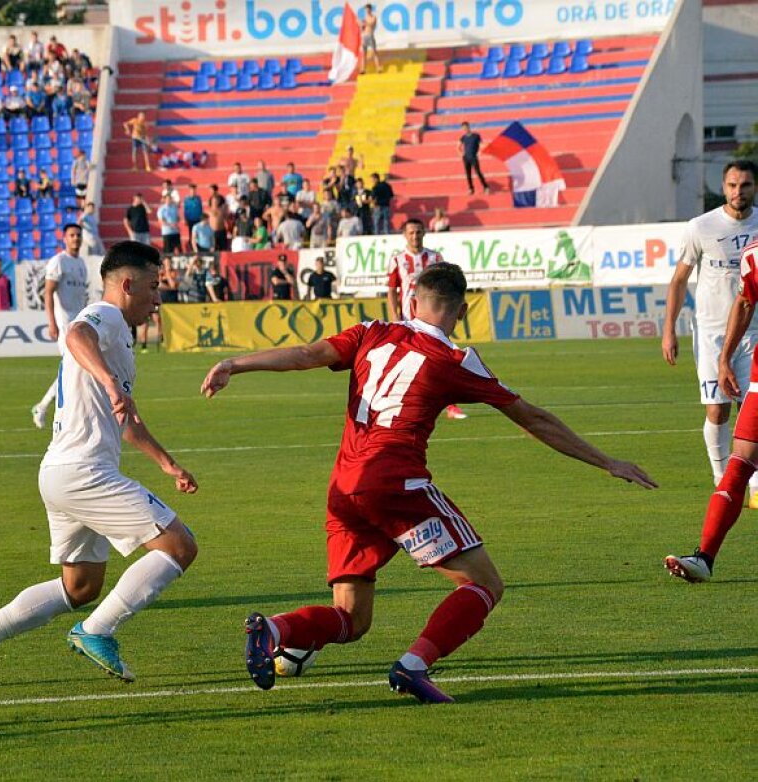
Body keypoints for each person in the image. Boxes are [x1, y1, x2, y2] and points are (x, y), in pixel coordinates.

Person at [200, 262, 655, 704]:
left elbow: (305, 355)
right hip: (397, 484)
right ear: (461, 312)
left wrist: (234, 364)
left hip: (344, 489)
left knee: (352, 619)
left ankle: (275, 630)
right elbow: (532, 418)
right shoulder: (456, 358)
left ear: (412, 299)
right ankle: (413, 666)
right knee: (483, 585)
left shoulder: (371, 330)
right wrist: (606, 461)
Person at [0, 241, 198, 687]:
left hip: (60, 473)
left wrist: (168, 464)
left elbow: (128, 422)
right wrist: (108, 380)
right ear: (127, 285)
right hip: (85, 474)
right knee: (179, 546)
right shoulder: (105, 315)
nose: (158, 299)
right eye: (154, 287)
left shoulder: (119, 335)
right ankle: (97, 630)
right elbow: (74, 335)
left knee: (81, 586)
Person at [664, 160, 758, 581]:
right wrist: (718, 354)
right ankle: (706, 550)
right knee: (728, 431)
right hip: (720, 336)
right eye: (733, 184)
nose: (739, 191)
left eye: (746, 184)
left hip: (747, 341)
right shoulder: (704, 228)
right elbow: (742, 299)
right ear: (724, 187)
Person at [388, 218, 468, 421]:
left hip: (432, 319)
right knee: (403, 361)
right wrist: (395, 316)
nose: (415, 236)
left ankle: (451, 405)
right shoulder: (397, 260)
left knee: (443, 357)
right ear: (405, 235)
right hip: (407, 318)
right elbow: (391, 290)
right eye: (411, 232)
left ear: (424, 233)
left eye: (418, 232)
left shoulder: (435, 258)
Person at [31, 224, 89, 428]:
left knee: (77, 369)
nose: (76, 239)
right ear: (65, 238)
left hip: (79, 324)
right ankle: (46, 407)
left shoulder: (81, 263)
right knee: (73, 367)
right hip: (64, 325)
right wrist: (52, 322)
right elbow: (48, 292)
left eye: (78, 235)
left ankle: (52, 408)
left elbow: (81, 297)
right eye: (72, 235)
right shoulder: (58, 261)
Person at [457, 122, 490, 195]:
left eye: (466, 127)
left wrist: (480, 151)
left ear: (469, 127)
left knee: (478, 172)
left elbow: (481, 144)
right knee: (468, 174)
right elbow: (458, 147)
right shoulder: (463, 137)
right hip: (466, 158)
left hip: (474, 157)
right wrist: (461, 154)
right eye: (463, 128)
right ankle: (471, 189)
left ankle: (486, 187)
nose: (465, 129)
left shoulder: (476, 136)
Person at [360, 3, 381, 74]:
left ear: (370, 9)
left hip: (370, 35)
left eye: (368, 9)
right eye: (366, 9)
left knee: (375, 52)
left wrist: (365, 22)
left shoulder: (373, 17)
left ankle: (378, 68)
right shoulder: (364, 18)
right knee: (364, 54)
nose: (367, 10)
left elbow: (372, 24)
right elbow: (362, 28)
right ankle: (363, 69)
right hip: (364, 36)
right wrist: (362, 25)